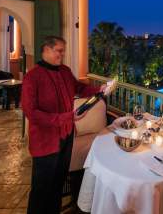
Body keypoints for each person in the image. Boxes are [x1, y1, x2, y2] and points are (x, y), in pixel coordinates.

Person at [22, 36, 113, 213]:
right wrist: (66, 118)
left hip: (66, 136)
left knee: (57, 184)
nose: (62, 54)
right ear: (46, 50)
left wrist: (99, 89)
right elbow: (31, 113)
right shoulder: (32, 78)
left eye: (63, 50)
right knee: (41, 190)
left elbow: (79, 88)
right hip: (45, 142)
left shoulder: (64, 71)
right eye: (59, 50)